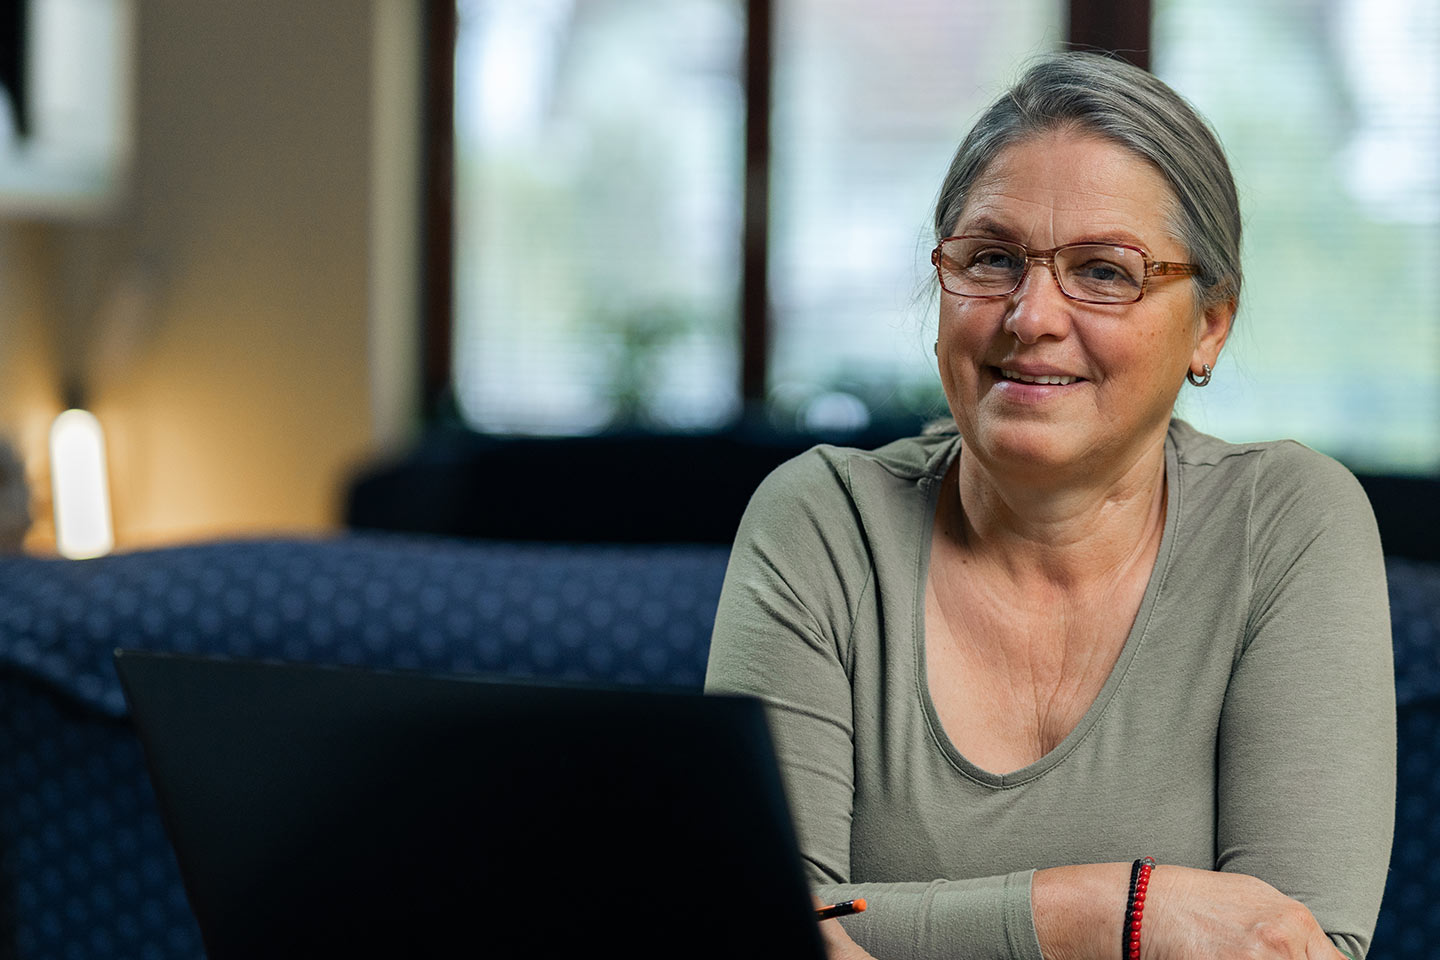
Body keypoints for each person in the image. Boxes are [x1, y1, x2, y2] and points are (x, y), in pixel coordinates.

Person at [706, 52, 1394, 960]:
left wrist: (866, 927)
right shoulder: (824, 522)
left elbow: (1297, 948)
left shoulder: (1289, 523)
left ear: (1210, 323)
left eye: (1104, 272)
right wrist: (1104, 914)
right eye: (991, 258)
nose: (1030, 315)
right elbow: (744, 926)